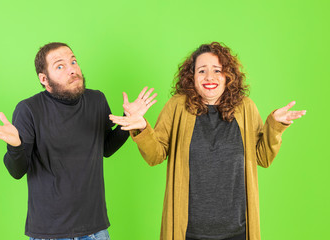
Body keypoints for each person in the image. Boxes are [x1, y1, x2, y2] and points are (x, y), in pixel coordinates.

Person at [109, 42, 306, 240]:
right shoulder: (177, 106)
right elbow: (155, 155)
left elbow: (263, 157)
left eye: (217, 70)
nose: (209, 77)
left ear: (228, 75)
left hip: (238, 231)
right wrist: (141, 126)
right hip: (188, 232)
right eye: (201, 71)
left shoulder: (245, 107)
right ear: (192, 77)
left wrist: (274, 125)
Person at [0, 42, 157, 240]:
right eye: (60, 66)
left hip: (96, 231)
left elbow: (105, 148)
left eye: (73, 61)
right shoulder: (29, 110)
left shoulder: (97, 100)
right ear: (44, 79)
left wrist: (128, 122)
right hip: (50, 233)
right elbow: (17, 171)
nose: (72, 69)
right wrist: (16, 146)